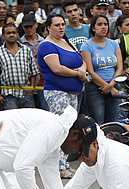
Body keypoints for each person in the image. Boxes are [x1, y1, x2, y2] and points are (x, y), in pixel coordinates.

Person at [37, 14, 89, 178]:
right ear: (48, 27)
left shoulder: (67, 42)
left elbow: (82, 60)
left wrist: (82, 69)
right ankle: (58, 167)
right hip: (57, 92)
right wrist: (78, 74)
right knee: (61, 129)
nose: (61, 27)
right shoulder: (46, 45)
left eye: (62, 24)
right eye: (57, 25)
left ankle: (64, 164)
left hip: (74, 92)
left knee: (69, 129)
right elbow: (57, 68)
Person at [80, 15, 123, 123]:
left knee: (113, 123)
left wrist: (111, 85)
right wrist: (107, 87)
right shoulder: (86, 46)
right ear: (93, 28)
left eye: (105, 24)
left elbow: (120, 68)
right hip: (94, 89)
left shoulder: (114, 44)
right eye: (99, 24)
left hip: (114, 85)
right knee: (98, 124)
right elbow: (90, 71)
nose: (103, 27)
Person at [0, 23, 39, 110]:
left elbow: (33, 72)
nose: (11, 35)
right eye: (8, 33)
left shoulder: (26, 50)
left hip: (26, 94)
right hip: (8, 96)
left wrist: (31, 88)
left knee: (29, 121)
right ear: (3, 36)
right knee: (13, 122)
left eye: (14, 33)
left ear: (17, 34)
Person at [20, 13, 47, 110]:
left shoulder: (44, 42)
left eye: (30, 26)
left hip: (43, 83)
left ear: (36, 25)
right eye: (26, 27)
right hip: (26, 85)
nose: (29, 29)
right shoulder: (19, 43)